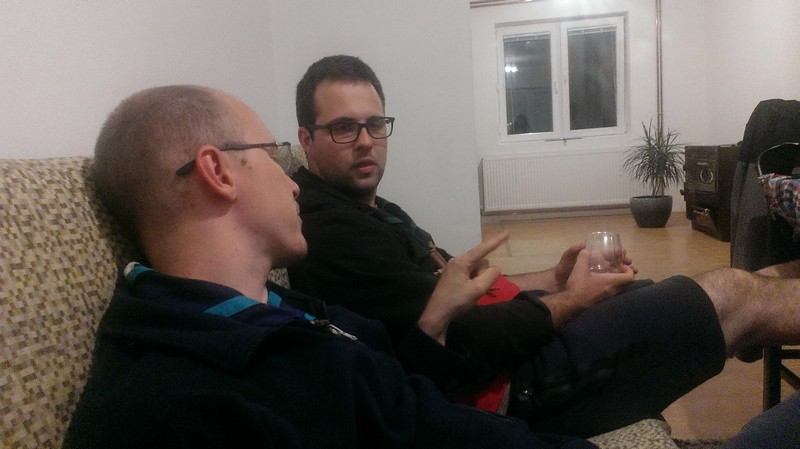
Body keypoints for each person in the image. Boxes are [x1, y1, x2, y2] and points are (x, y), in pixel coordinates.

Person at [287, 54, 800, 437]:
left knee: (651, 288)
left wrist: (552, 279)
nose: (365, 139)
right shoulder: (330, 231)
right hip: (510, 390)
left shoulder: (372, 208)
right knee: (730, 294)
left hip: (507, 360)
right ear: (306, 138)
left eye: (374, 124)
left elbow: (456, 291)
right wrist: (570, 299)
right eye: (343, 128)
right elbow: (465, 338)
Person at [63, 84, 602, 449]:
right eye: (274, 156)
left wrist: (431, 324)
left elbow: (390, 399)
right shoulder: (169, 409)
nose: (293, 183)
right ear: (218, 172)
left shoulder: (271, 306)